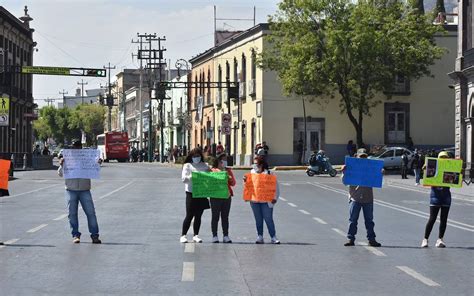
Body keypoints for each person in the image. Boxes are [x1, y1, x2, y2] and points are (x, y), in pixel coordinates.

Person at [58, 139, 101, 244]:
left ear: (81, 148)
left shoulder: (86, 158)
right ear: (72, 148)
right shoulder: (67, 158)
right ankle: (75, 235)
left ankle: (94, 235)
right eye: (74, 147)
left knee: (91, 213)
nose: (76, 149)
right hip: (71, 190)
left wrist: (97, 163)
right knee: (72, 214)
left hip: (85, 190)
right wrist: (61, 165)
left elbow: (94, 169)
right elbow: (60, 174)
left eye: (78, 146)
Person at [343, 148, 382, 247]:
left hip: (368, 198)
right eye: (361, 157)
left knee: (369, 221)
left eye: (364, 157)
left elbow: (378, 181)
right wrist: (344, 172)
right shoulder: (351, 167)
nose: (363, 159)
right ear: (356, 156)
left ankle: (371, 240)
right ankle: (350, 239)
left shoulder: (371, 167)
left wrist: (380, 173)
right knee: (353, 220)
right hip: (355, 198)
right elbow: (344, 182)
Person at [244, 156, 280, 244]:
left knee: (268, 219)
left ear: (261, 164)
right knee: (258, 219)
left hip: (266, 201)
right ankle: (260, 236)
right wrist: (245, 181)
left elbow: (276, 186)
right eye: (254, 163)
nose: (254, 165)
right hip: (254, 200)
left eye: (256, 163)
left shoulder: (269, 173)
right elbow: (249, 185)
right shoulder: (252, 172)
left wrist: (275, 198)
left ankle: (273, 237)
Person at [421, 151, 452, 248]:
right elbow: (427, 178)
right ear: (438, 158)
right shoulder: (433, 167)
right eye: (441, 157)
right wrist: (424, 170)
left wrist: (459, 173)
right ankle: (425, 239)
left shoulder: (450, 167)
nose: (443, 159)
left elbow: (454, 180)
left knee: (444, 219)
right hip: (435, 196)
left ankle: (440, 239)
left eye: (445, 157)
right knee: (432, 218)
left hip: (446, 196)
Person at [180, 148, 211, 243]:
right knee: (189, 214)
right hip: (191, 192)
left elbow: (212, 176)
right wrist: (194, 176)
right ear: (191, 157)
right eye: (194, 156)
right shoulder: (187, 165)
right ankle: (183, 235)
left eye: (197, 156)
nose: (196, 158)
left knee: (198, 215)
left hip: (201, 193)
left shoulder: (205, 166)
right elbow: (184, 179)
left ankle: (196, 235)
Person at [210, 153, 236, 243]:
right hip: (215, 197)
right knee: (215, 216)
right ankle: (214, 235)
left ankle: (226, 235)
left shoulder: (228, 170)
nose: (224, 162)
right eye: (223, 160)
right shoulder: (212, 171)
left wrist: (229, 178)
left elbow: (233, 183)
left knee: (225, 217)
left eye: (225, 160)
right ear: (218, 161)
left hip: (226, 197)